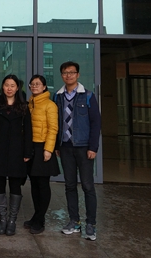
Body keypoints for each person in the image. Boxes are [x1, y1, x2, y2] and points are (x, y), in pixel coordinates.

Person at [54, 61, 101, 241]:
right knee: (70, 185)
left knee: (88, 186)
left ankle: (91, 224)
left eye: (72, 72)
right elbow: (56, 123)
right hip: (65, 147)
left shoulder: (87, 96)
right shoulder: (57, 96)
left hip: (83, 148)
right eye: (65, 73)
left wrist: (93, 147)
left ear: (78, 75)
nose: (69, 75)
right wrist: (57, 145)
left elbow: (96, 122)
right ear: (61, 76)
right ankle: (74, 221)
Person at [0, 74, 32, 236]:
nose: (9, 88)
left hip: (17, 151)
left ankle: (12, 221)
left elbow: (28, 131)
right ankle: (2, 219)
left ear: (17, 88)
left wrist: (27, 151)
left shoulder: (23, 106)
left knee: (15, 185)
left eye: (12, 85)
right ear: (2, 87)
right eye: (7, 85)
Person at [24, 74, 60, 235]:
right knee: (34, 184)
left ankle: (40, 219)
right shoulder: (30, 104)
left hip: (43, 147)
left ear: (44, 87)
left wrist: (48, 149)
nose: (34, 86)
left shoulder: (50, 105)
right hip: (31, 147)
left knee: (43, 184)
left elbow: (53, 128)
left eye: (38, 84)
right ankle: (36, 216)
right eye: (32, 84)